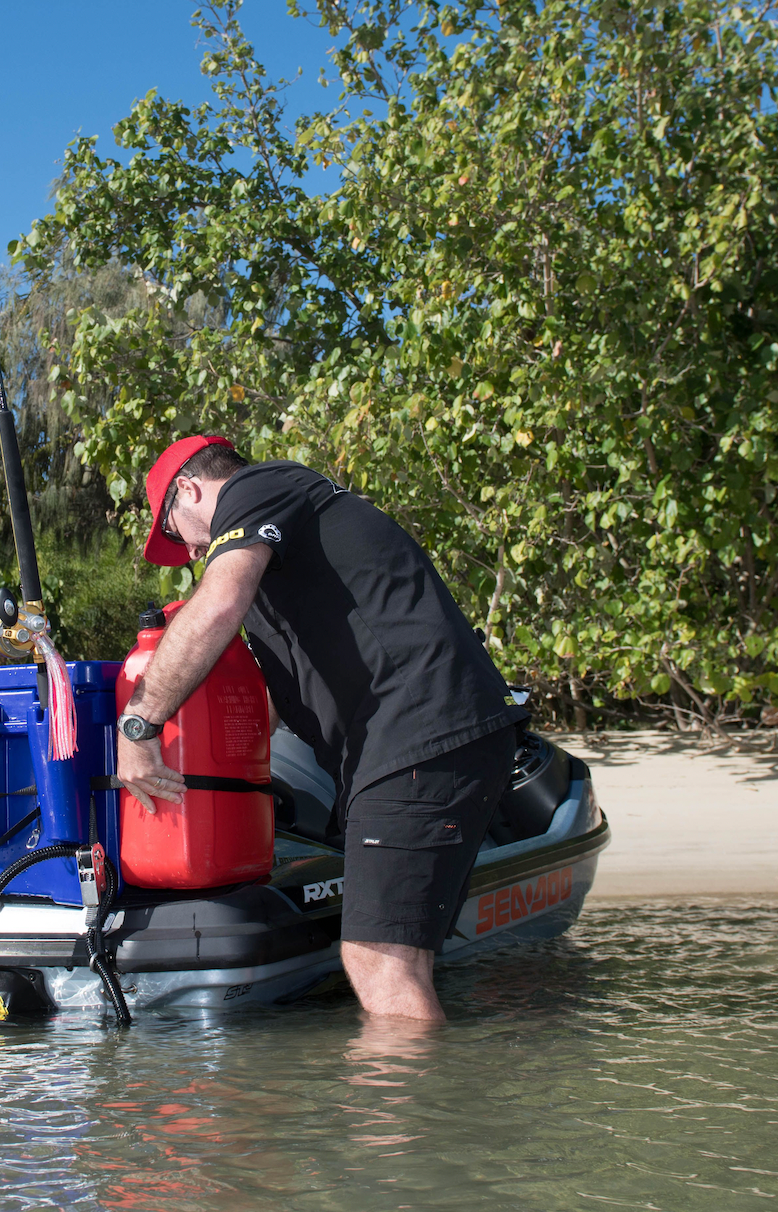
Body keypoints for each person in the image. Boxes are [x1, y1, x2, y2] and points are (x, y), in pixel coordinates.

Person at [114, 436, 525, 1022]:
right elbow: (271, 702)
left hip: (417, 735)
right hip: (429, 737)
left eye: (175, 533)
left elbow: (218, 604)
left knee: (378, 962)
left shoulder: (258, 487)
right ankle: (431, 1082)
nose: (191, 552)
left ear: (190, 489)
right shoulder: (288, 547)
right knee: (400, 960)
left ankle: (406, 1088)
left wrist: (139, 725)